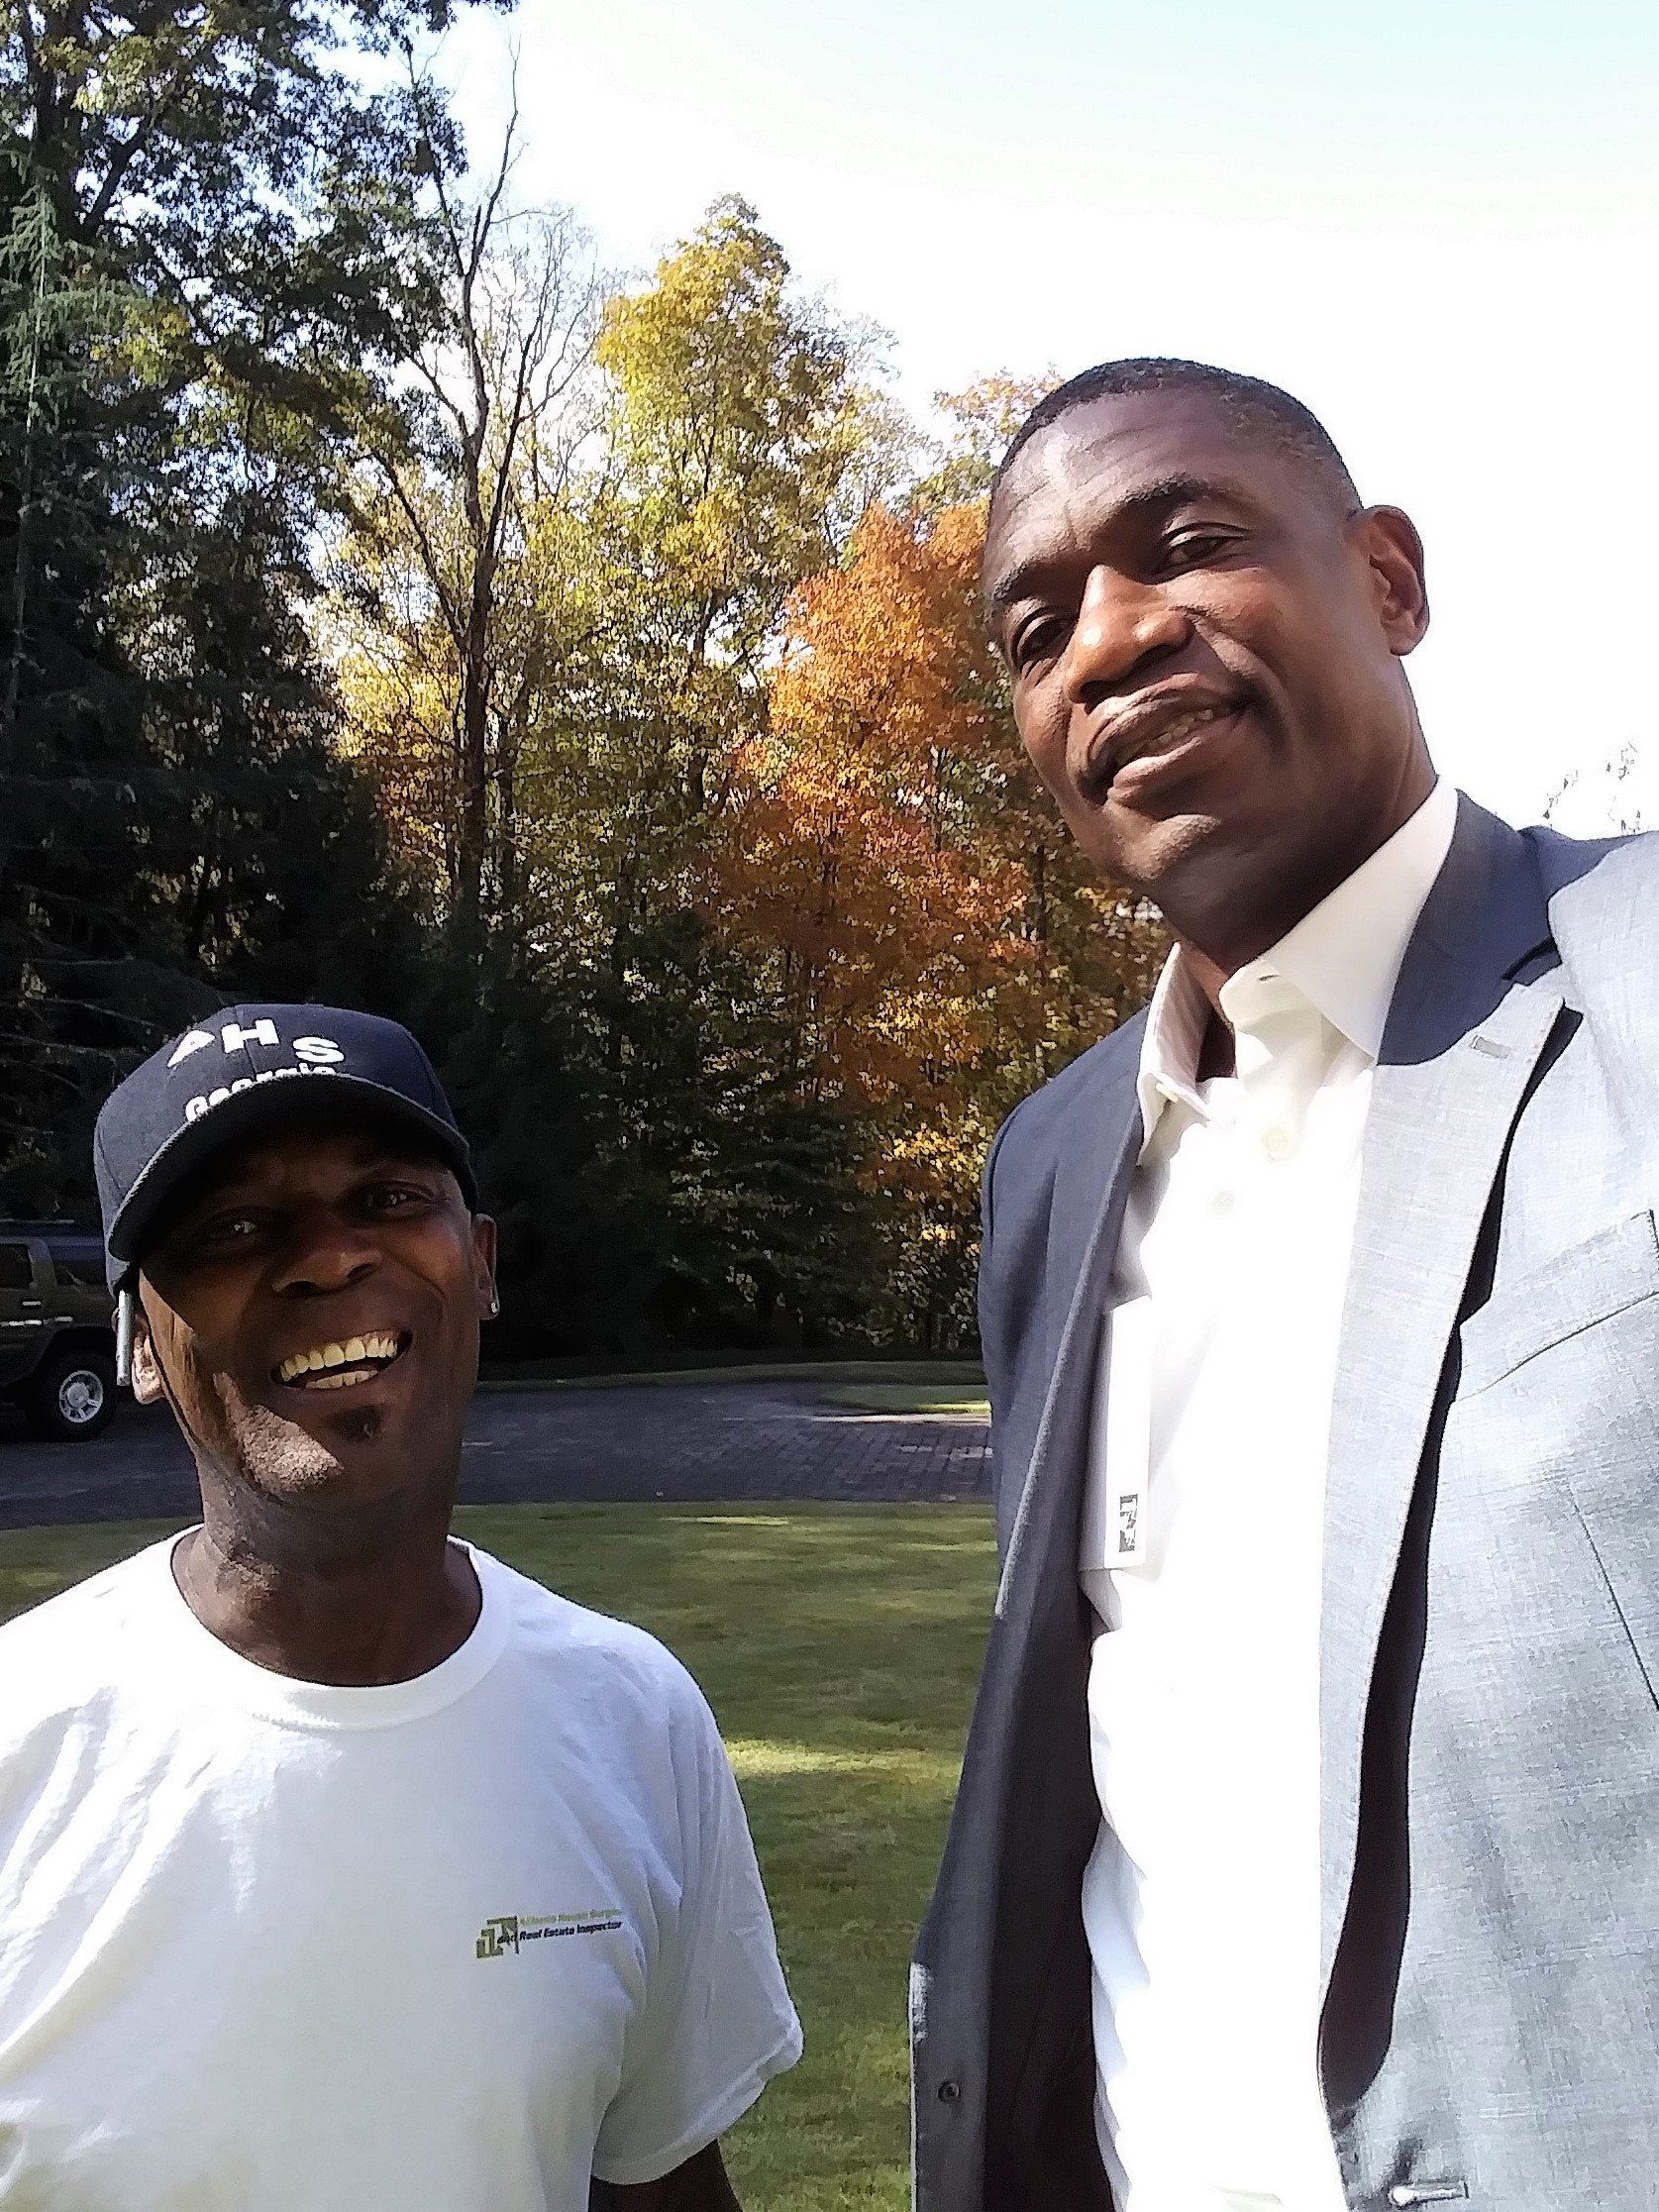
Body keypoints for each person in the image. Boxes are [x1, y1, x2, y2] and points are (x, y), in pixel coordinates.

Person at [911, 359, 1659, 2212]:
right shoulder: (1056, 1160)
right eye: (1036, 627)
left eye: (1191, 542)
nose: (1110, 638)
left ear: (1389, 581)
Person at [0, 1004, 801, 2211]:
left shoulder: (631, 1718)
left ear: (478, 1263)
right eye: (233, 1226)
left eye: (384, 1199)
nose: (326, 1258)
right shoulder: (23, 1734)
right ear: (142, 1344)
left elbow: (660, 2183)